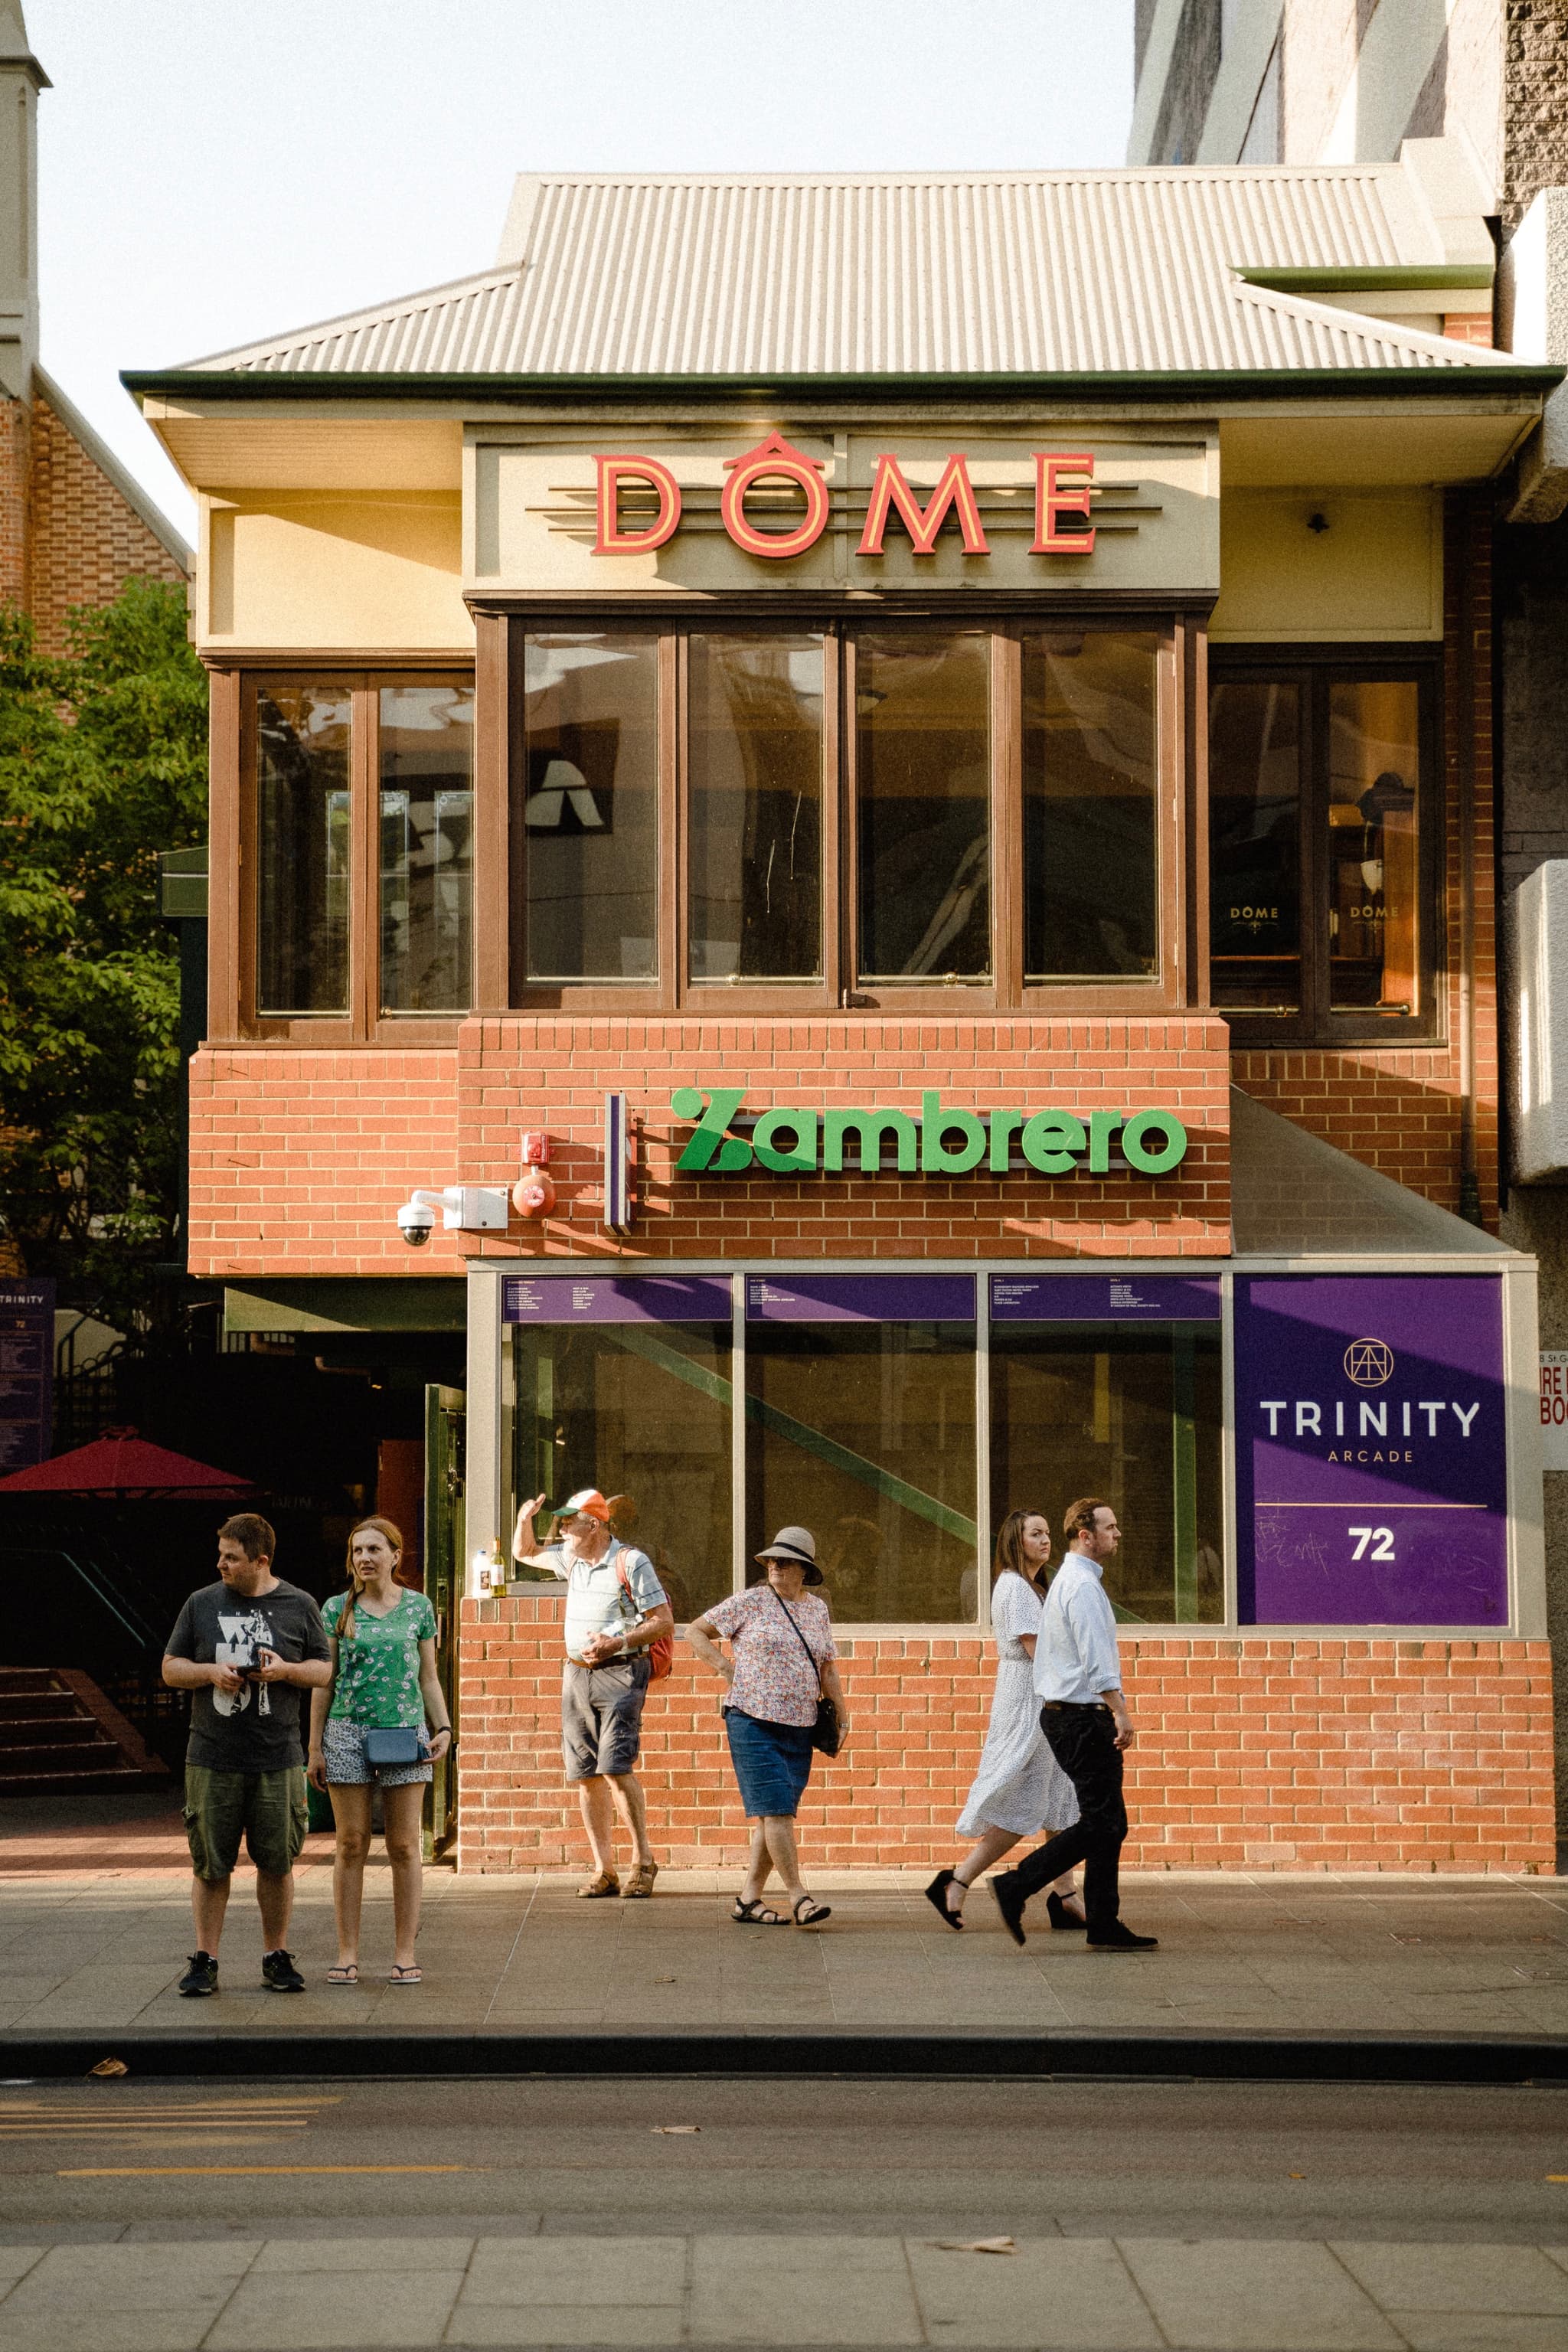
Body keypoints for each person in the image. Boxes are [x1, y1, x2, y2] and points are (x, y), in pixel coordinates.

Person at [162, 1512, 332, 1997]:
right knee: (210, 1863)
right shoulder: (201, 1604)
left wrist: (285, 1671)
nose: (220, 1564)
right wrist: (210, 1673)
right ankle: (205, 1958)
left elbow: (322, 1671)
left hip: (277, 1755)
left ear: (260, 1561)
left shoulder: (299, 1604)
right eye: (220, 1554)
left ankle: (276, 1955)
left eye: (231, 1558)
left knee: (277, 1862)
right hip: (211, 1755)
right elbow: (171, 1668)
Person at [990, 1498, 1158, 1953]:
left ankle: (1103, 1921)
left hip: (1071, 1717)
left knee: (1109, 1823)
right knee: (1103, 1821)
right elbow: (1096, 1657)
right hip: (1081, 1717)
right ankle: (1017, 1886)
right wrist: (1120, 1710)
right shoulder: (1081, 1586)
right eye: (1111, 1527)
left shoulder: (1071, 1580)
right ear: (1086, 1535)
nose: (1118, 1534)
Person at [306, 1516, 452, 1985]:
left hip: (406, 1734)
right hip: (346, 1733)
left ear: (395, 1555)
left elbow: (428, 1676)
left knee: (405, 1845)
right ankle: (347, 1952)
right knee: (350, 1844)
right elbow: (323, 1683)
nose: (365, 1559)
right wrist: (314, 1745)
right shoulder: (336, 1609)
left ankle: (405, 1953)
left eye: (374, 1550)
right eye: (357, 1551)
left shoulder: (419, 1609)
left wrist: (444, 1727)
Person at [925, 1508, 1083, 1932]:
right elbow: (1040, 1653)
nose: (1046, 1540)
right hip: (1031, 1703)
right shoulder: (1015, 1588)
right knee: (1024, 1801)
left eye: (1048, 1533)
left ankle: (1067, 1897)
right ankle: (957, 1881)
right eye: (1036, 1534)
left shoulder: (1034, 1586)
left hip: (1043, 1697)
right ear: (1016, 1541)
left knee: (1059, 1800)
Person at [512, 1485, 674, 1898]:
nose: (563, 1530)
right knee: (585, 1775)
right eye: (562, 1523)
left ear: (596, 1525)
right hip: (576, 1674)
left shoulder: (631, 1562)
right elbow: (524, 1553)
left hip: (621, 1673)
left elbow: (663, 1621)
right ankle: (605, 1869)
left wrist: (616, 1642)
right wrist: (523, 1520)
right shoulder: (573, 1561)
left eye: (571, 1523)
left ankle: (643, 1860)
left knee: (616, 1768)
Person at [686, 1526, 848, 1929]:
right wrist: (725, 1667)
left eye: (785, 1560)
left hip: (801, 1725)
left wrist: (842, 1713)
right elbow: (694, 1631)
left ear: (804, 1569)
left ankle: (748, 1900)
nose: (774, 1565)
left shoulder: (816, 1610)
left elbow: (827, 1665)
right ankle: (800, 1897)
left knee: (773, 1815)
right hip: (752, 1720)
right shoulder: (752, 1601)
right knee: (777, 1812)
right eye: (771, 1559)